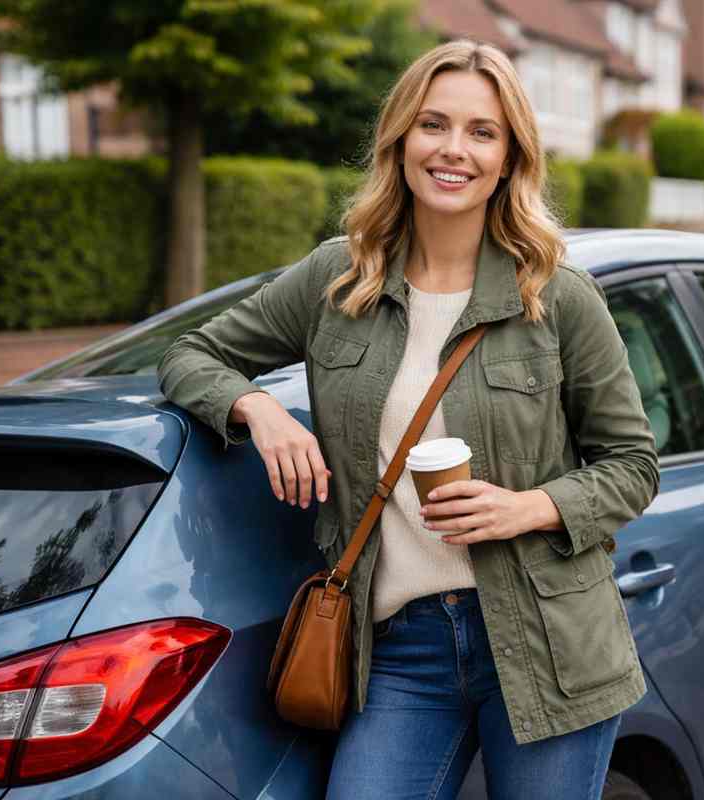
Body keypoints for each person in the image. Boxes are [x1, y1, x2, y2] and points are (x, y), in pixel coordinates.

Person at [157, 38, 660, 800]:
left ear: (509, 156)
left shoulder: (556, 296)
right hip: (398, 649)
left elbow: (633, 463)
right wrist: (255, 406)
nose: (453, 149)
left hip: (549, 643)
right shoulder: (337, 278)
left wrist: (528, 505)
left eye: (481, 131)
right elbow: (189, 353)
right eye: (433, 124)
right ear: (400, 140)